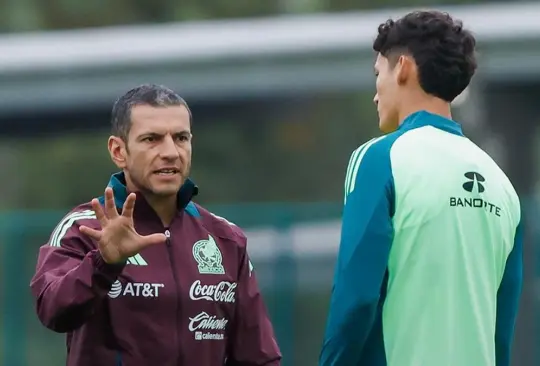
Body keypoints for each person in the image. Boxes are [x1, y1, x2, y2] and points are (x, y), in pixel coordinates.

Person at [319, 10, 522, 366]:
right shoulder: (502, 186)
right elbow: (500, 334)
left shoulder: (378, 159)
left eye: (377, 74)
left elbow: (356, 301)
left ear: (403, 68)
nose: (375, 94)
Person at [30, 84, 282, 366]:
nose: (171, 152)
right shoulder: (84, 228)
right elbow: (52, 310)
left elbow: (259, 357)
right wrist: (103, 264)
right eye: (152, 139)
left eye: (180, 138)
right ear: (118, 151)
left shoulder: (226, 239)